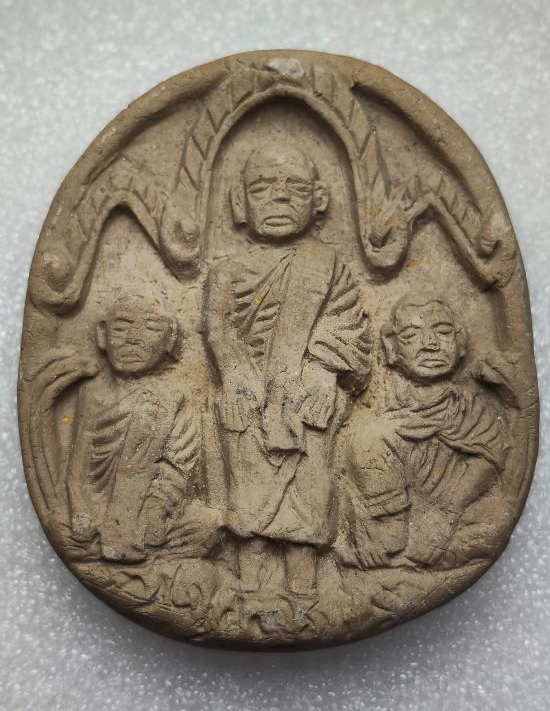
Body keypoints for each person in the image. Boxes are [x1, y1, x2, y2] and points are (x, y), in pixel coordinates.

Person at [204, 141, 370, 598]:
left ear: (318, 200)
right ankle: (250, 589)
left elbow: (348, 324)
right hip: (248, 400)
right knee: (249, 498)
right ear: (240, 202)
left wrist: (322, 370)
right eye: (262, 187)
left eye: (294, 187)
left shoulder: (328, 266)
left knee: (308, 498)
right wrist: (236, 375)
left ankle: (303, 590)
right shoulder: (227, 271)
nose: (279, 196)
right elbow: (218, 330)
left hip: (307, 399)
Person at [342, 296, 507, 569]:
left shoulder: (469, 408)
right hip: (392, 517)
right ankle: (389, 539)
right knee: (369, 438)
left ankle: (416, 555)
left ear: (461, 342)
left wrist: (446, 511)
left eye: (443, 332)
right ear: (391, 346)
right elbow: (355, 483)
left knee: (492, 526)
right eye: (411, 335)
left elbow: (489, 459)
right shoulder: (382, 407)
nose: (430, 343)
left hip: (450, 507)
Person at [66, 295, 206, 563]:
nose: (133, 339)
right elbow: (78, 468)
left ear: (170, 340)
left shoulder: (171, 399)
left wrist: (157, 506)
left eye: (151, 328)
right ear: (102, 334)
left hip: (153, 509)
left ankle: (126, 532)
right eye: (121, 327)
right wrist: (81, 510)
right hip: (92, 508)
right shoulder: (91, 395)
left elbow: (179, 466)